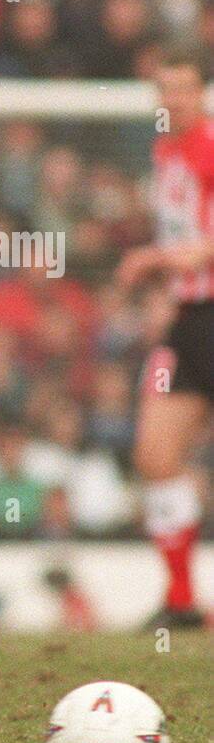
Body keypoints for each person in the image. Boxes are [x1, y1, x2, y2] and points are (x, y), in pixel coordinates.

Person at [117, 46, 214, 631]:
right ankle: (180, 601)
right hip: (188, 321)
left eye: (184, 87)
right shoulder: (164, 151)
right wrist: (163, 284)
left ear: (202, 93)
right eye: (164, 88)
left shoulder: (208, 148)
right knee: (155, 456)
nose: (172, 99)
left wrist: (156, 258)